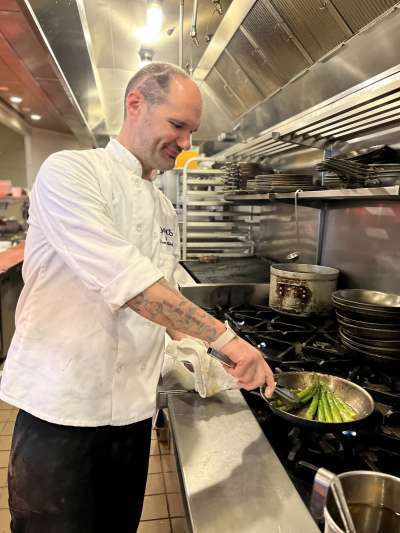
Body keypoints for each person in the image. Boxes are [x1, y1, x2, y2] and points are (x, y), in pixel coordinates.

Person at [0, 62, 275, 533]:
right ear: (135, 105)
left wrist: (202, 356)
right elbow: (128, 282)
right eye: (178, 125)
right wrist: (226, 339)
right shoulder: (71, 172)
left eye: (192, 130)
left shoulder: (163, 208)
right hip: (61, 412)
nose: (186, 142)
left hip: (131, 416)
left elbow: (163, 299)